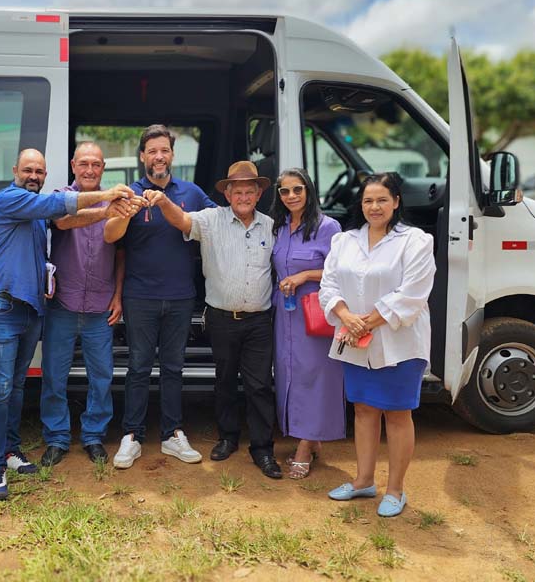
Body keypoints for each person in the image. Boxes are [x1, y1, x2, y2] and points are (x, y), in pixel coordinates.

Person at [0, 148, 139, 500]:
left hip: (40, 306)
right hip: (11, 305)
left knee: (22, 385)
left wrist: (111, 211)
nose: (33, 175)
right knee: (11, 386)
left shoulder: (37, 211)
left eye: (39, 170)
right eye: (28, 169)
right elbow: (65, 216)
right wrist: (109, 199)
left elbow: (94, 228)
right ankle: (2, 461)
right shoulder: (19, 199)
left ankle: (14, 450)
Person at [319, 172, 436, 517]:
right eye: (368, 200)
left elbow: (412, 294)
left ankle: (396, 489)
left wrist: (364, 322)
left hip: (398, 342)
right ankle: (363, 481)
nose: (374, 207)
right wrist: (345, 315)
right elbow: (328, 285)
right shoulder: (345, 241)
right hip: (355, 340)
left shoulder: (415, 241)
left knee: (398, 414)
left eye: (382, 199)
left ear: (397, 201)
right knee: (363, 410)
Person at [158, 161, 282, 478]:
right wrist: (162, 200)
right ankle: (227, 438)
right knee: (224, 381)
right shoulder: (211, 220)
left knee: (259, 386)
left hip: (258, 321)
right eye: (237, 190)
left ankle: (263, 449)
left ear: (259, 193)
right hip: (221, 318)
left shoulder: (272, 226)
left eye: (249, 191)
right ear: (227, 193)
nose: (243, 196)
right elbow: (182, 220)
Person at [103, 124, 216, 469]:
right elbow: (110, 238)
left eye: (164, 150)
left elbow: (215, 222)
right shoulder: (128, 193)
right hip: (140, 296)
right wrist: (126, 212)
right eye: (152, 151)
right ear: (142, 156)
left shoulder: (192, 192)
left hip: (181, 296)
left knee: (173, 367)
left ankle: (172, 434)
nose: (158, 157)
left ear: (172, 155)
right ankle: (132, 435)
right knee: (137, 367)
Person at [40, 142, 131, 467]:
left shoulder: (116, 202)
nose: (90, 170)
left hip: (99, 307)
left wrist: (118, 295)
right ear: (73, 165)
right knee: (54, 376)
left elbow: (118, 250)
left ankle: (93, 436)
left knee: (101, 377)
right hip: (63, 304)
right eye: (84, 164)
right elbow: (64, 221)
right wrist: (107, 205)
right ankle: (57, 438)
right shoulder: (60, 196)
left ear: (103, 168)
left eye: (96, 164)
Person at [271, 168, 345, 479]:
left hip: (315, 312)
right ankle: (308, 435)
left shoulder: (328, 227)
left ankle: (304, 445)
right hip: (285, 312)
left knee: (315, 376)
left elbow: (340, 270)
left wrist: (304, 275)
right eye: (285, 191)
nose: (291, 196)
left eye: (297, 190)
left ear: (309, 190)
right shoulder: (281, 227)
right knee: (290, 373)